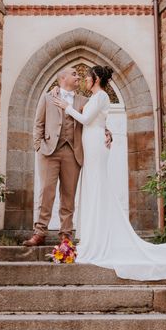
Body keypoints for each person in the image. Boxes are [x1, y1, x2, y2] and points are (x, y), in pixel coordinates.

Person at [52, 65, 166, 281]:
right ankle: (93, 237)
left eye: (88, 77)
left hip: (95, 143)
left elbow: (86, 120)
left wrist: (65, 107)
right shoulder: (95, 97)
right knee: (93, 186)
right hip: (91, 142)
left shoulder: (100, 97)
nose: (85, 81)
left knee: (98, 185)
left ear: (96, 78)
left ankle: (98, 240)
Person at [23, 67, 111, 247]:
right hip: (49, 152)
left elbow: (95, 119)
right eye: (74, 74)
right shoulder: (48, 97)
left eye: (80, 75)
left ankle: (65, 235)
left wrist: (109, 132)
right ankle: (40, 232)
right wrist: (38, 146)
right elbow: (38, 123)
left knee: (68, 196)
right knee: (46, 193)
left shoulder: (85, 100)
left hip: (73, 153)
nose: (78, 76)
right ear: (63, 78)